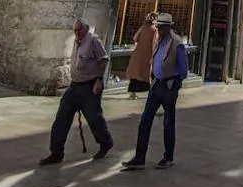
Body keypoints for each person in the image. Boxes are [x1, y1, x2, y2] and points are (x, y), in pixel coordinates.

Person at [39, 19, 113, 166]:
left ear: (85, 29)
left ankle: (105, 142)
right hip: (74, 86)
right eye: (75, 30)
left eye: (79, 30)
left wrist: (98, 80)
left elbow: (103, 60)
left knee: (94, 118)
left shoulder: (93, 40)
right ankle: (56, 152)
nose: (77, 33)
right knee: (62, 118)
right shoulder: (77, 40)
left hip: (90, 85)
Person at [122, 13, 187, 171]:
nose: (158, 29)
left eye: (161, 27)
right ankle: (139, 158)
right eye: (158, 26)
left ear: (168, 27)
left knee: (168, 123)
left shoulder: (177, 43)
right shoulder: (159, 39)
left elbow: (184, 70)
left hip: (169, 87)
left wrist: (175, 83)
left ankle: (168, 157)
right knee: (145, 121)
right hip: (157, 84)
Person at [124, 12, 157, 100]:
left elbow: (135, 38)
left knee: (135, 74)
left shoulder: (143, 27)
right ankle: (152, 93)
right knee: (147, 74)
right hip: (147, 55)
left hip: (138, 53)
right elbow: (154, 44)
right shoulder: (154, 30)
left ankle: (132, 93)